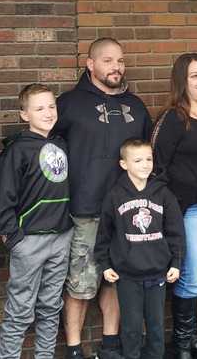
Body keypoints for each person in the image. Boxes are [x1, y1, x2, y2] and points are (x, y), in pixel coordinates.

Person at [54, 37, 152, 359]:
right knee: (81, 283)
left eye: (120, 61)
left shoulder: (136, 107)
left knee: (116, 280)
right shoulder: (69, 105)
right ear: (90, 64)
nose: (116, 67)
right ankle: (73, 349)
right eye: (108, 61)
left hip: (126, 211)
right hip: (85, 210)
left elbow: (148, 158)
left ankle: (111, 345)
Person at [151, 53, 197, 359]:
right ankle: (183, 345)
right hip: (185, 210)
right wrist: (169, 209)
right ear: (182, 80)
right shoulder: (173, 118)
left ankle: (190, 340)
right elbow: (156, 167)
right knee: (192, 275)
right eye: (194, 76)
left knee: (194, 274)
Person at [0, 84, 73, 359]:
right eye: (39, 108)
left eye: (51, 106)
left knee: (51, 306)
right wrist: (13, 238)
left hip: (61, 236)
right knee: (20, 310)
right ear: (24, 114)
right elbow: (4, 196)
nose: (48, 112)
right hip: (29, 240)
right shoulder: (17, 150)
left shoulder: (61, 143)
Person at [94, 138, 185, 359]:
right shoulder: (115, 195)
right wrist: (105, 264)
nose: (145, 164)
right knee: (131, 327)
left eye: (148, 159)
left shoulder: (163, 194)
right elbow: (105, 233)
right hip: (127, 275)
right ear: (124, 164)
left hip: (157, 272)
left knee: (155, 327)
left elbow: (176, 232)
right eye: (138, 160)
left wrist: (176, 262)